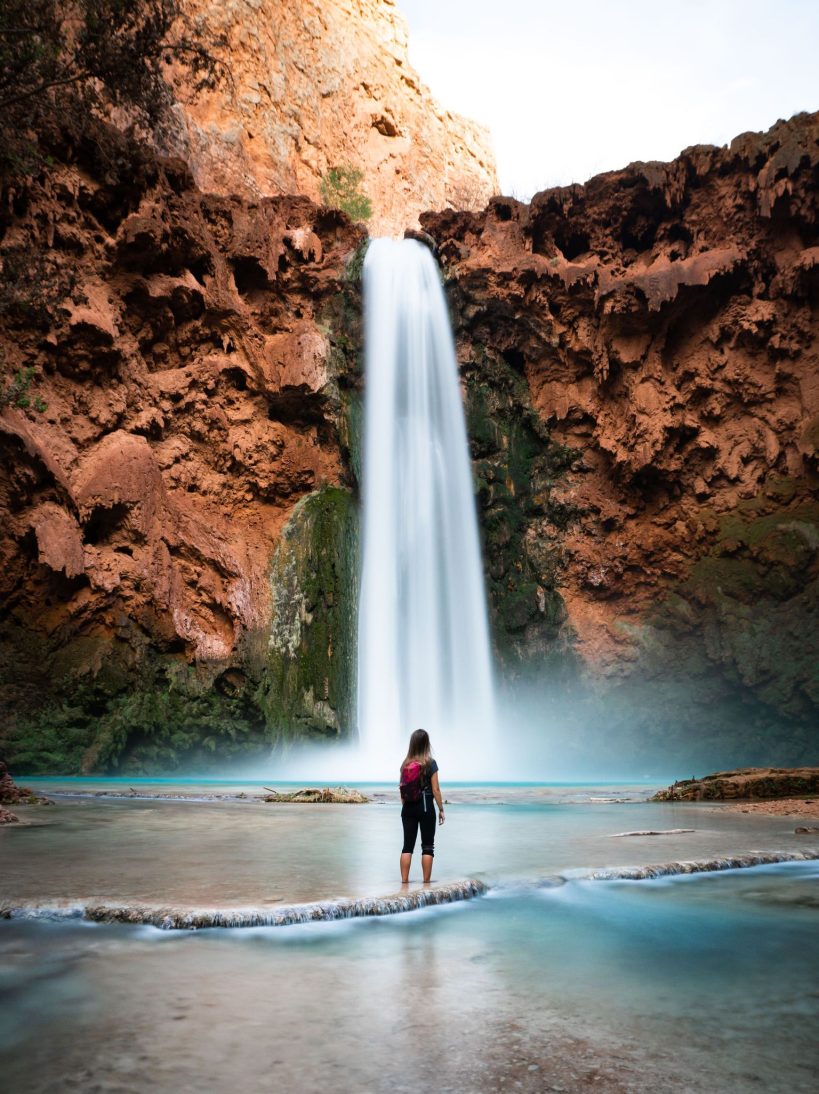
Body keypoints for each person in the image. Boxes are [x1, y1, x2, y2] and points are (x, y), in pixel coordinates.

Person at [399, 728, 445, 884]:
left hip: (408, 808)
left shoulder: (405, 764)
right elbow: (436, 789)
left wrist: (406, 805)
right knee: (427, 847)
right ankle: (426, 884)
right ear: (426, 744)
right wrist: (441, 809)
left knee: (407, 847)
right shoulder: (430, 763)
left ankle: (404, 883)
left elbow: (402, 788)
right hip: (425, 807)